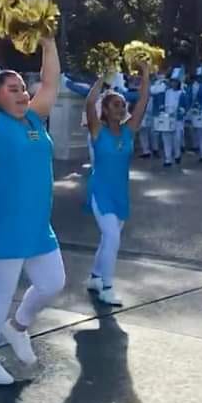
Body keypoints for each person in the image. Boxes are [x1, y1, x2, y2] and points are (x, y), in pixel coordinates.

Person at [0, 25, 65, 386]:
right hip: (3, 223)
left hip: (38, 225)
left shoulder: (33, 118)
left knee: (53, 283)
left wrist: (48, 41)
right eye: (13, 89)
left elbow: (51, 82)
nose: (23, 93)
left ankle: (19, 326)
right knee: (1, 292)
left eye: (23, 88)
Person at [82, 63, 151, 306]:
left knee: (108, 238)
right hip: (100, 191)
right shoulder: (97, 130)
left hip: (120, 192)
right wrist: (103, 77)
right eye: (116, 105)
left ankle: (95, 277)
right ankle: (107, 287)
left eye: (123, 105)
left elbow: (143, 101)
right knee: (112, 237)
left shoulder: (129, 131)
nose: (121, 109)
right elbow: (90, 103)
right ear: (105, 109)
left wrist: (145, 74)